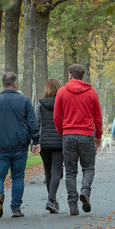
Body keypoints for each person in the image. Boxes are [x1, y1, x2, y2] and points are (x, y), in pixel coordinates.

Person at [0, 72, 40, 218]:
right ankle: (16, 208)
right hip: (19, 147)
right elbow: (32, 123)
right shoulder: (24, 101)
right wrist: (36, 141)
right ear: (15, 84)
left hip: (0, 147)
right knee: (18, 177)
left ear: (3, 84)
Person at [54, 64, 103, 215]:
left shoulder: (62, 92)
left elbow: (56, 117)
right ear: (82, 76)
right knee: (88, 168)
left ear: (70, 76)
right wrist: (98, 136)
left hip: (68, 135)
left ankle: (73, 205)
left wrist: (63, 132)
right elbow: (98, 118)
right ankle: (85, 192)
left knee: (70, 171)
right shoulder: (92, 93)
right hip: (86, 135)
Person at [35, 79, 64, 214]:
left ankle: (52, 200)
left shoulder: (40, 105)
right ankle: (51, 199)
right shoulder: (63, 103)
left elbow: (37, 123)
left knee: (48, 172)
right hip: (59, 142)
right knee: (56, 172)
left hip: (44, 143)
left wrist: (36, 141)